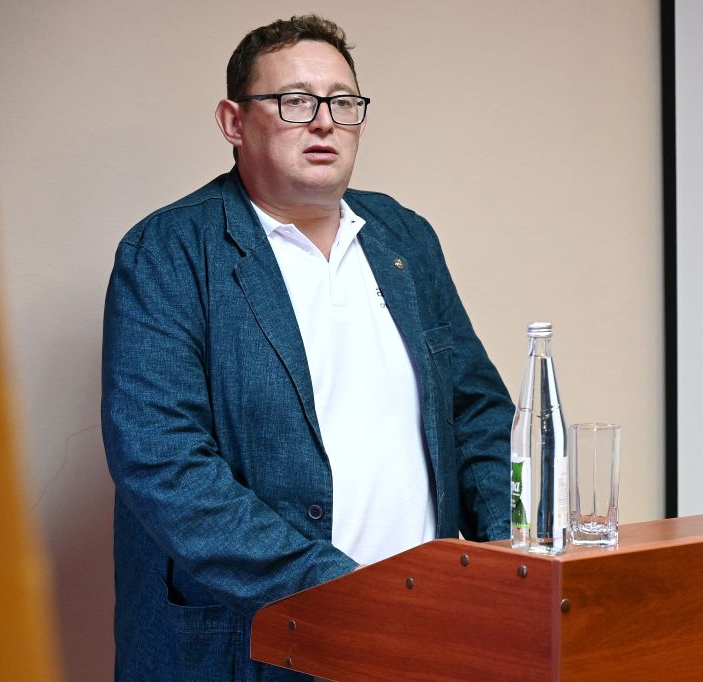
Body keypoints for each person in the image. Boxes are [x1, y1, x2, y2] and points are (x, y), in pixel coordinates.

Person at [101, 15, 513, 681]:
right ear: (234, 122)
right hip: (253, 644)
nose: (324, 122)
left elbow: (477, 411)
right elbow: (163, 465)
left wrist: (510, 558)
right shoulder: (168, 252)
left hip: (422, 634)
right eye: (294, 101)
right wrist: (342, 593)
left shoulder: (404, 236)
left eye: (342, 103)